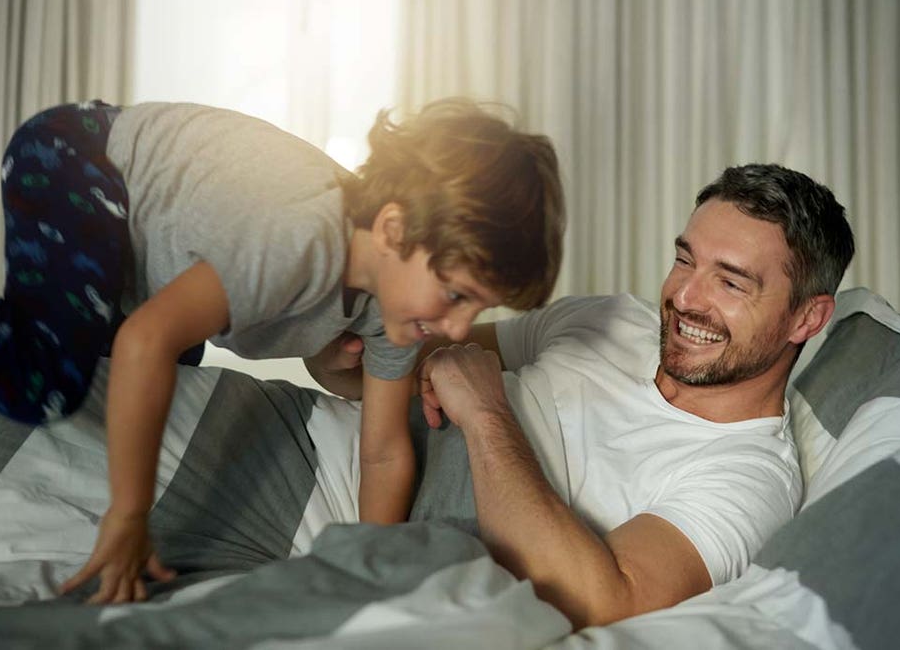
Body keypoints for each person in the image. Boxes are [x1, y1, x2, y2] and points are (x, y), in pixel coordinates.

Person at [0, 98, 566, 604]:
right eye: (456, 292)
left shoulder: (389, 315)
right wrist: (127, 518)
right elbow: (145, 340)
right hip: (82, 160)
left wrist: (359, 566)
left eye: (479, 307)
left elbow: (382, 449)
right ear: (392, 227)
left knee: (162, 403)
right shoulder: (303, 238)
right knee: (46, 378)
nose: (458, 323)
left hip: (150, 259)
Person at [320, 163, 854, 630]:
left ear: (807, 318)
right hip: (302, 434)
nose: (685, 297)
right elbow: (384, 362)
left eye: (731, 284)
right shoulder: (610, 319)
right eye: (685, 261)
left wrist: (484, 412)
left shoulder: (749, 477)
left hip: (338, 528)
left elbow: (600, 604)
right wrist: (331, 344)